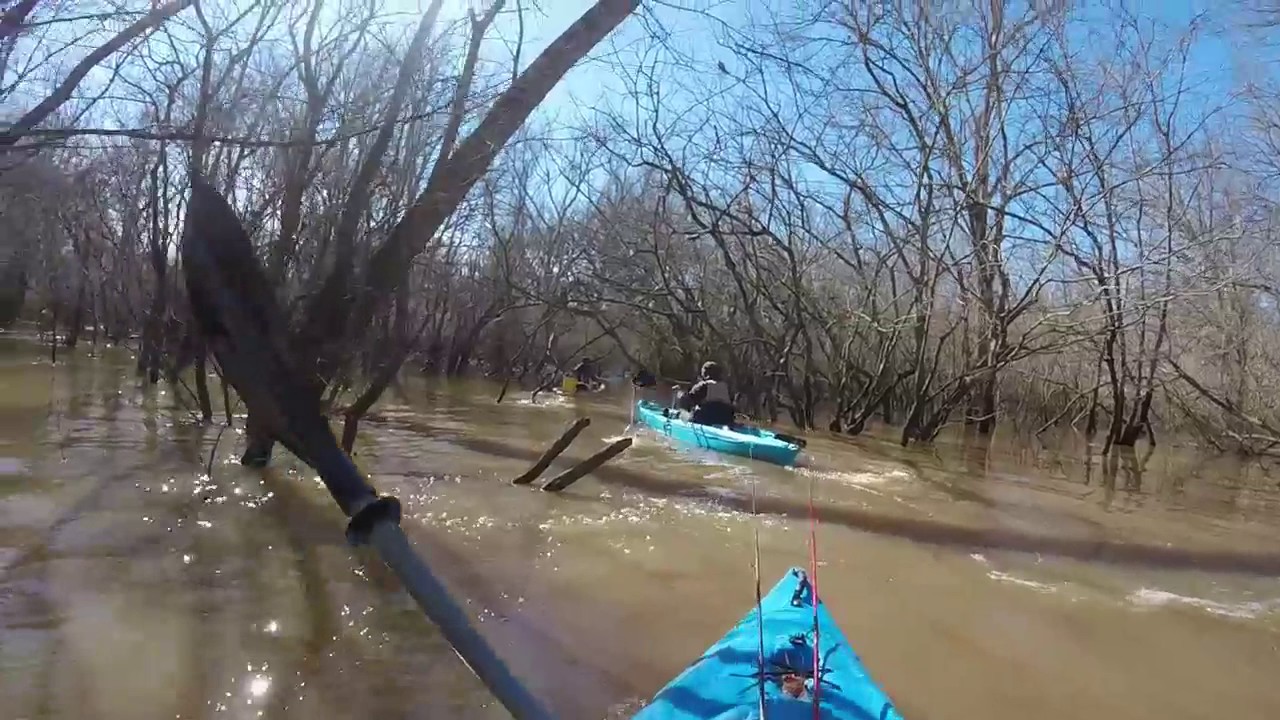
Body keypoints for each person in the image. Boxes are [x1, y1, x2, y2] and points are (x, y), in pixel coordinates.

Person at [674, 361, 735, 426]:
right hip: (726, 420)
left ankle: (681, 421)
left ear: (705, 374)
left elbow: (688, 400)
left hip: (706, 418)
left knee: (684, 404)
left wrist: (679, 392)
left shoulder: (703, 386)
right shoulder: (727, 387)